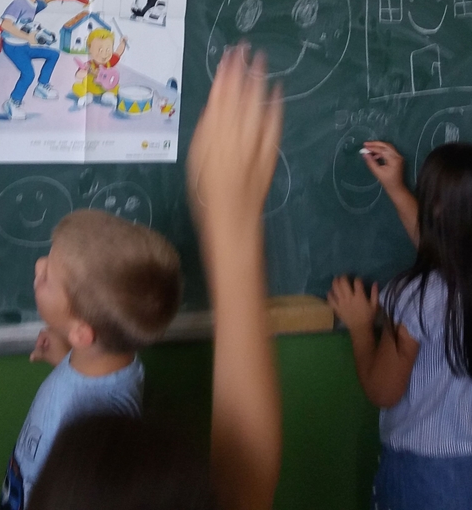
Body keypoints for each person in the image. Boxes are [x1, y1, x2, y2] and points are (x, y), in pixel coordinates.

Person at [28, 44, 285, 510]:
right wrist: (233, 227)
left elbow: (243, 490)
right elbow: (241, 487)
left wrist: (231, 225)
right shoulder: (107, 424)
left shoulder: (104, 433)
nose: (38, 269)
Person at [328, 143, 472, 510]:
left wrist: (360, 327)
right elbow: (444, 247)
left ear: (437, 209)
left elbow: (383, 390)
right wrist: (396, 189)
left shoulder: (417, 296)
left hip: (426, 475)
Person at [0, 208, 181, 510]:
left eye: (47, 277)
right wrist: (65, 359)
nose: (38, 265)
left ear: (82, 333)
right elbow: (94, 382)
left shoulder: (96, 424)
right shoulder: (115, 366)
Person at [0, 0, 80, 120]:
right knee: (28, 74)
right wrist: (28, 37)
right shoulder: (19, 3)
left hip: (24, 45)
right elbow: (5, 25)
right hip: (13, 47)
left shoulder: (34, 2)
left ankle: (42, 86)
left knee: (53, 54)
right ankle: (13, 103)